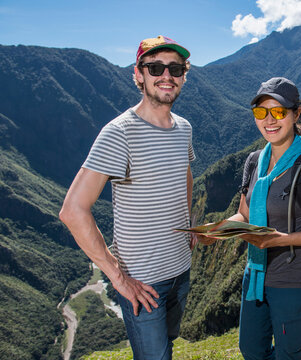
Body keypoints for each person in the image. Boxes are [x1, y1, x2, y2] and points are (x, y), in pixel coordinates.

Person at [59, 35, 196, 360]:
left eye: (175, 68)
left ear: (184, 75)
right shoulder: (119, 133)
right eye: (155, 67)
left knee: (168, 344)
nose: (166, 75)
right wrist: (118, 278)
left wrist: (187, 223)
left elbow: (185, 174)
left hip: (181, 270)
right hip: (144, 284)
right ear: (138, 74)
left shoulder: (184, 128)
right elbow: (73, 210)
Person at [201, 77, 301, 359]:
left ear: (296, 113)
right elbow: (244, 213)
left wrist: (283, 239)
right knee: (251, 349)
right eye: (260, 112)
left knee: (289, 353)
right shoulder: (255, 161)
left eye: (278, 112)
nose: (269, 120)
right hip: (256, 275)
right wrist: (216, 230)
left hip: (295, 282)